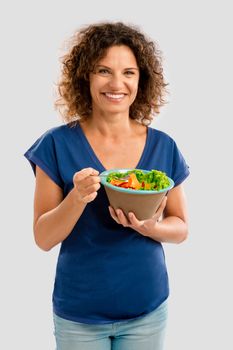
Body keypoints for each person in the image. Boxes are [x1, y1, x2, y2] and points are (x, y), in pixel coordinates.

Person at [24, 22, 190, 350]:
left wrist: (150, 228)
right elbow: (43, 238)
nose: (116, 83)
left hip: (147, 310)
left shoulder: (164, 146)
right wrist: (76, 198)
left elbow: (181, 228)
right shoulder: (56, 144)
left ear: (141, 81)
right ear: (85, 76)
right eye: (103, 70)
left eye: (128, 72)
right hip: (79, 316)